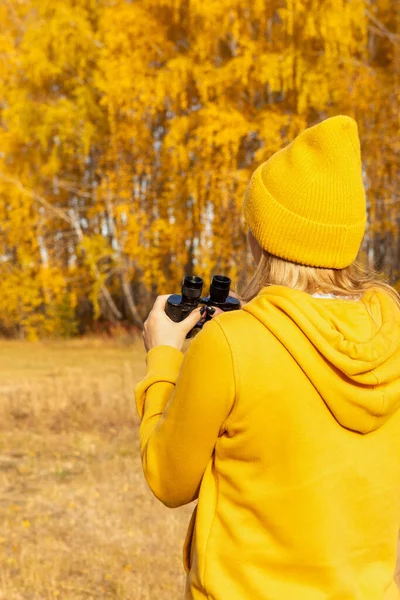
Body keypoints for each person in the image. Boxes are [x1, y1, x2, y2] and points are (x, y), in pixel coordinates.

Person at [135, 115, 400, 600]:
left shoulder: (234, 344)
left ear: (264, 235)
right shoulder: (393, 334)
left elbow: (168, 479)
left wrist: (164, 359)